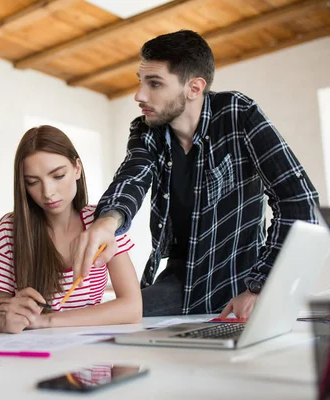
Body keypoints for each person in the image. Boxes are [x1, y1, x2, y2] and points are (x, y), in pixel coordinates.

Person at [69, 30, 319, 318]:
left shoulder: (238, 113)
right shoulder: (146, 131)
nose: (139, 95)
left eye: (155, 84)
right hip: (180, 281)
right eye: (141, 81)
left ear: (194, 88)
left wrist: (260, 286)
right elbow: (132, 177)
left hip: (243, 278)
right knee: (107, 324)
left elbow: (300, 201)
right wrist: (106, 223)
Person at [0, 126, 142, 334]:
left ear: (77, 169)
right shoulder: (8, 230)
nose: (48, 192)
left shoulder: (100, 222)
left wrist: (48, 321)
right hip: (37, 359)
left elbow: (133, 308)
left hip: (94, 355)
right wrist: (7, 321)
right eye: (33, 182)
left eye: (58, 176)